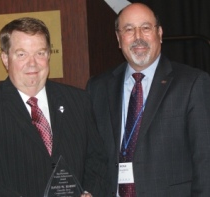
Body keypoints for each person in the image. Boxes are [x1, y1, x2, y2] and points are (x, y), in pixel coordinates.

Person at [0, 17, 108, 197]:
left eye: (40, 53)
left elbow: (97, 160)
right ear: (5, 59)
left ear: (48, 55)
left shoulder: (78, 100)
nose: (32, 63)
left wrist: (90, 192)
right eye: (22, 54)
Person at [86, 3, 210, 197]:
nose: (138, 37)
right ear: (118, 39)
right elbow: (92, 155)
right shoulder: (98, 87)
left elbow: (206, 161)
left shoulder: (192, 83)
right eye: (128, 29)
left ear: (159, 33)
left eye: (145, 28)